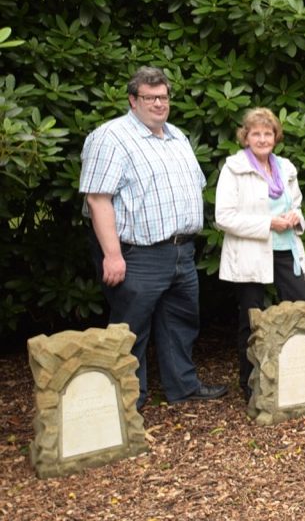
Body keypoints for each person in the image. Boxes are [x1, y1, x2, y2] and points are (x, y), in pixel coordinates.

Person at [79, 66, 227, 409]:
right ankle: (128, 400)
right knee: (131, 329)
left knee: (181, 322)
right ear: (133, 100)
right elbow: (97, 199)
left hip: (180, 250)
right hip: (137, 253)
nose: (158, 103)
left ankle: (182, 387)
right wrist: (112, 255)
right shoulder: (110, 137)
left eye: (163, 96)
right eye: (150, 97)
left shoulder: (176, 136)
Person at [215, 107, 305, 400]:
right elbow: (223, 216)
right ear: (245, 137)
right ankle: (251, 385)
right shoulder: (233, 168)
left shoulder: (285, 166)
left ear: (275, 136)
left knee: (302, 311)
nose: (262, 138)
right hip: (251, 252)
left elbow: (295, 203)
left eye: (267, 133)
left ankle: (300, 379)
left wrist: (296, 216)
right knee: (251, 320)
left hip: (286, 249)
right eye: (255, 133)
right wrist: (267, 223)